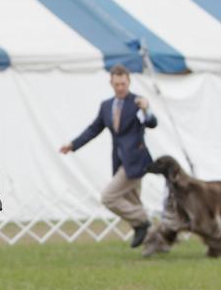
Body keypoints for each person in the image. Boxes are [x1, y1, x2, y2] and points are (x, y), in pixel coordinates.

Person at [60, 64, 158, 248]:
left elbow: (152, 123)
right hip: (120, 162)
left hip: (137, 162)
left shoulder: (138, 102)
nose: (120, 87)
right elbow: (93, 129)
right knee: (133, 202)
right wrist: (73, 145)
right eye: (117, 84)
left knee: (108, 197)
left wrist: (146, 109)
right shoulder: (106, 106)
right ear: (111, 83)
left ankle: (144, 221)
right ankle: (157, 242)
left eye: (123, 83)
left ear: (129, 82)